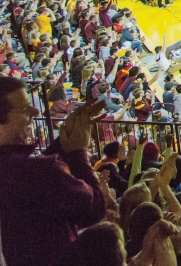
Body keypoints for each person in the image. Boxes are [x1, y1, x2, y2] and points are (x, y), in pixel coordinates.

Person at [0, 77, 107, 266]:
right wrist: (78, 152)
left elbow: (31, 178)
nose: (36, 111)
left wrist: (63, 144)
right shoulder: (42, 172)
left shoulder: (15, 169)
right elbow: (94, 207)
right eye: (25, 109)